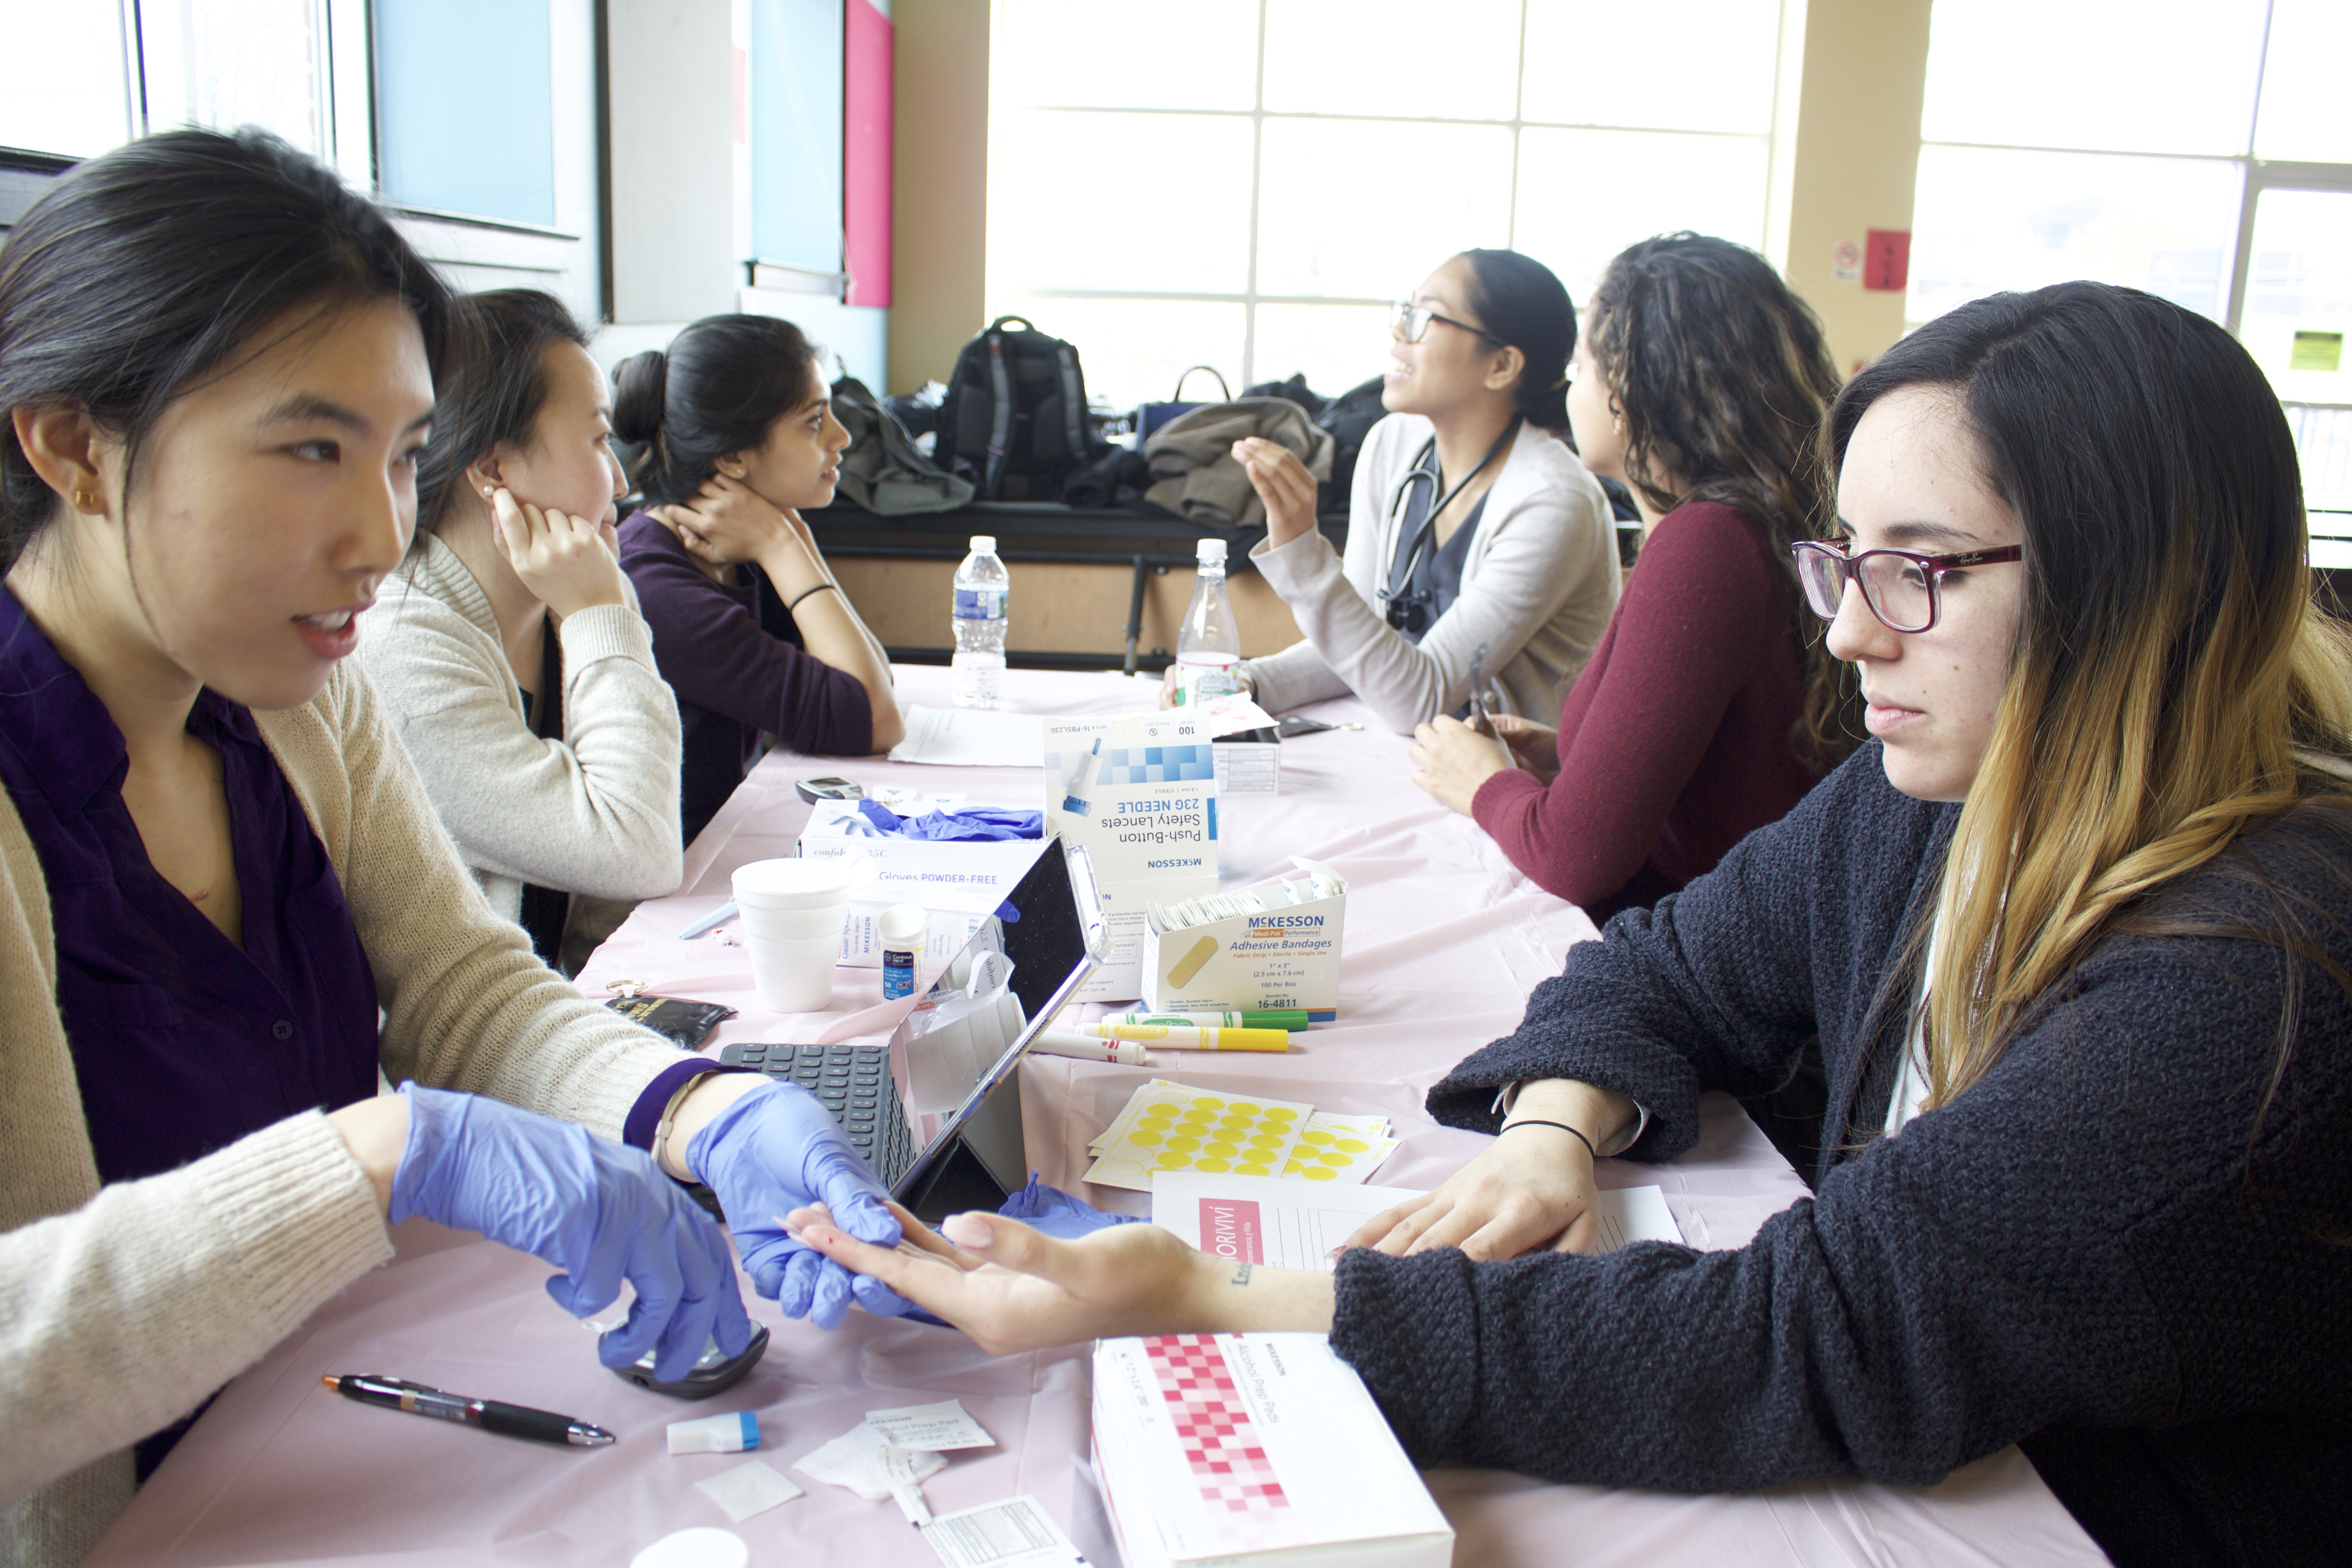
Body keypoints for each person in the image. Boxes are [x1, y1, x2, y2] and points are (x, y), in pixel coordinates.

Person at [789, 283, 2352, 1567]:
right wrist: (1553, 1125)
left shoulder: (2257, 974)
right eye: (1847, 559)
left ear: (2141, 589)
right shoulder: (1946, 780)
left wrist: (1202, 1295)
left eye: (1920, 571)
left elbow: (1808, 1332)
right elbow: (1664, 962)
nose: (1849, 626)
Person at [0, 131, 907, 1566]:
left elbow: (463, 988)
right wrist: (387, 1155)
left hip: (325, 1430)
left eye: (405, 457)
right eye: (311, 450)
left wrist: (695, 1109)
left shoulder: (301, 709)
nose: (378, 532)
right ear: (70, 448)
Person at [1407, 235, 1857, 922]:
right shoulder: (1736, 527)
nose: (1570, 384)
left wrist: (1483, 784)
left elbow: (1574, 860)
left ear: (1638, 387)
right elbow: (1735, 759)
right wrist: (1570, 758)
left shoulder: (1706, 544)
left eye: (1584, 364)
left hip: (1695, 949)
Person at [356, 289, 681, 971]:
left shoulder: (563, 601)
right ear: (495, 469)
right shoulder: (401, 650)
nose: (621, 482)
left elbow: (602, 902)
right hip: (458, 1064)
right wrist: (602, 616)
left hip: (563, 1011)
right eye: (598, 441)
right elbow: (635, 849)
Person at [1217, 249, 1621, 733]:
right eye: (1405, 311)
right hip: (1412, 756)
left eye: (1425, 316)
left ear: (1502, 366)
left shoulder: (1554, 501)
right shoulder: (1393, 442)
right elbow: (1358, 646)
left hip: (1509, 782)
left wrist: (1300, 550)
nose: (1398, 331)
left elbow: (1417, 700)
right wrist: (1246, 681)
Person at [612, 316, 904, 847]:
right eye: (815, 422)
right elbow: (874, 722)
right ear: (732, 458)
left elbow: (873, 681)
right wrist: (782, 545)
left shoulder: (737, 543)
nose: (842, 437)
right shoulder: (656, 589)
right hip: (669, 890)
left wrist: (790, 538)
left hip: (729, 844)